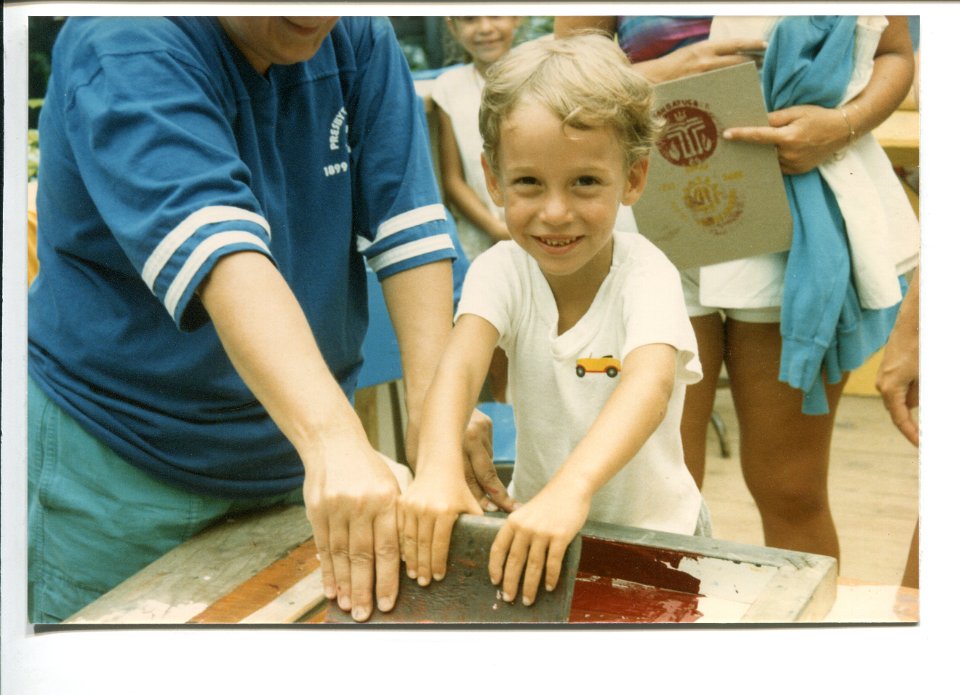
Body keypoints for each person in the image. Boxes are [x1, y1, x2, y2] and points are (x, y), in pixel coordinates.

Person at [27, 15, 500, 624]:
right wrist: (334, 442)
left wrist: (438, 418)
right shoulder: (125, 34)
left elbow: (407, 229)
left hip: (291, 451)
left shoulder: (356, 31)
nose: (316, 16)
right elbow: (223, 254)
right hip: (124, 458)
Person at [556, 16, 918, 564]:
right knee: (655, 490)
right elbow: (564, 74)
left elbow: (895, 52)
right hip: (653, 216)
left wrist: (843, 123)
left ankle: (820, 644)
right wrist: (654, 75)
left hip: (795, 218)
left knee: (791, 487)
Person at [398, 33, 708, 608]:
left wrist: (572, 490)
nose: (556, 212)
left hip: (656, 538)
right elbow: (459, 368)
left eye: (586, 182)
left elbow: (650, 385)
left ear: (634, 179)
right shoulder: (501, 270)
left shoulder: (647, 272)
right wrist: (436, 466)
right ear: (493, 180)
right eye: (528, 183)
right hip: (537, 528)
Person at [431, 16, 521, 262]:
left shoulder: (541, 73)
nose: (485, 28)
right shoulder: (449, 87)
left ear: (516, 16)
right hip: (486, 237)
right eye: (470, 19)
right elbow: (452, 180)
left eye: (495, 15)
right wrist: (496, 229)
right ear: (452, 26)